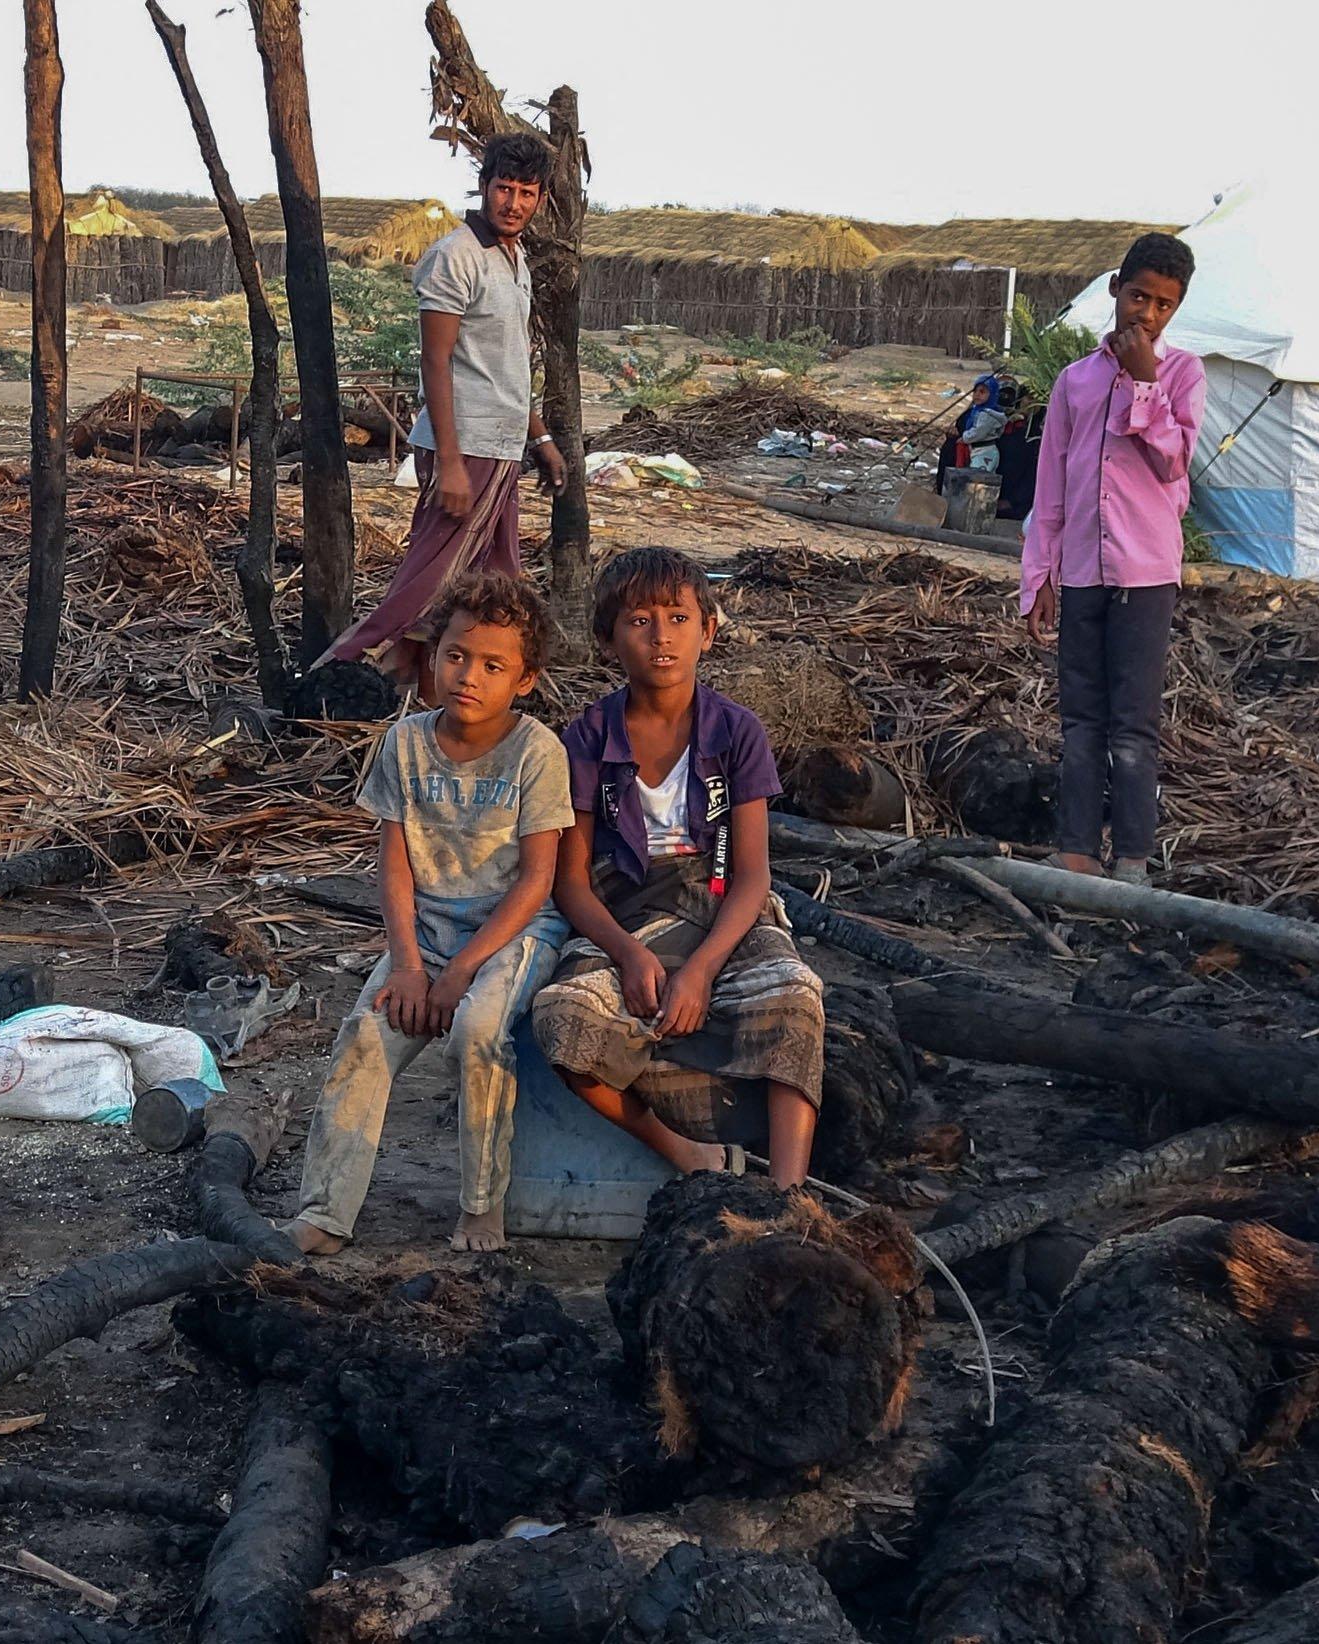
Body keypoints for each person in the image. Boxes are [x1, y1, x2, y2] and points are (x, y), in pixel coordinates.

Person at [288, 572, 571, 1256]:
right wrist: (411, 967)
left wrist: (463, 973)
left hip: (513, 934)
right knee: (365, 1034)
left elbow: (537, 883)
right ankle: (325, 1211)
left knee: (476, 1030)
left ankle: (480, 1209)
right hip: (429, 934)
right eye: (455, 656)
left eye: (493, 665)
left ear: (525, 680)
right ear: (433, 655)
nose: (469, 675)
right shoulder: (405, 743)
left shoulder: (537, 753)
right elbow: (393, 867)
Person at [532, 548, 828, 1188]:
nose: (661, 636)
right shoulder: (585, 738)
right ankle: (689, 1156)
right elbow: (572, 882)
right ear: (609, 638)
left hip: (722, 905)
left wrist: (700, 970)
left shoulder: (736, 731)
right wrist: (627, 955)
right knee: (565, 1020)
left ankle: (788, 1194)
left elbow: (750, 876)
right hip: (627, 912)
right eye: (639, 620)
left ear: (709, 630)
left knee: (795, 999)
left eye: (678, 617)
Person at [316, 132, 568, 695]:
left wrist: (541, 437)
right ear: (484, 188)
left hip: (502, 447)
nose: (515, 203)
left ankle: (435, 697)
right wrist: (449, 464)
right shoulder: (455, 256)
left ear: (541, 199)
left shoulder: (515, 257)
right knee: (427, 583)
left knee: (494, 588)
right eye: (505, 189)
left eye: (527, 192)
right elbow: (437, 362)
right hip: (466, 446)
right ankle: (333, 678)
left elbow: (507, 366)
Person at [1020, 232, 1206, 885]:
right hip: (1081, 576)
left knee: (1132, 725)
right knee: (1079, 720)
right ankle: (1075, 848)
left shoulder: (1182, 374)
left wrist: (1146, 385)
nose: (1147, 315)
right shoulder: (1075, 382)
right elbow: (1052, 489)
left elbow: (1173, 461)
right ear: (1115, 291)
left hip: (1146, 577)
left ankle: (1131, 858)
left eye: (1163, 305)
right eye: (1138, 297)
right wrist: (1038, 575)